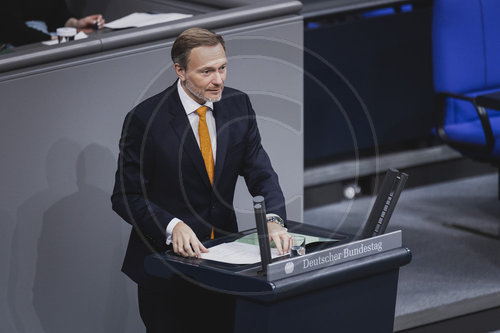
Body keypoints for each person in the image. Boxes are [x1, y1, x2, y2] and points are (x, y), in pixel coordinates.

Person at [111, 27, 291, 332]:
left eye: (222, 68)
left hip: (225, 269)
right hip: (167, 272)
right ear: (180, 70)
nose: (218, 80)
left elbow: (261, 173)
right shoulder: (145, 119)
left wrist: (274, 219)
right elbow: (126, 196)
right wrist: (172, 225)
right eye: (206, 71)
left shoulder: (238, 105)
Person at [0, 0, 105, 47]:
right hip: (19, 53)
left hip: (46, 42)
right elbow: (13, 30)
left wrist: (75, 24)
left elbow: (57, 14)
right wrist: (55, 39)